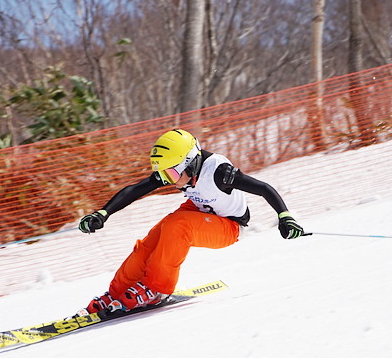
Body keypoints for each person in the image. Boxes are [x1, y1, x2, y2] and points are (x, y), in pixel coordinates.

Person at [75, 128, 304, 316]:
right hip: (200, 208)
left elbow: (264, 188)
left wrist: (285, 217)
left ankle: (156, 289)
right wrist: (103, 213)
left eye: (172, 175)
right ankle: (117, 292)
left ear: (190, 162)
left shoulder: (219, 172)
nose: (169, 182)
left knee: (177, 226)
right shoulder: (179, 167)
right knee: (158, 234)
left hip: (229, 225)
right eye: (164, 176)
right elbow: (137, 189)